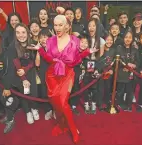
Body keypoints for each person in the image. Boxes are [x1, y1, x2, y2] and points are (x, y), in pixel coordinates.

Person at [28, 14, 97, 144]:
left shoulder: (75, 40)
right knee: (55, 103)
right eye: (55, 25)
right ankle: (61, 125)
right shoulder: (50, 41)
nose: (58, 28)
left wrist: (86, 52)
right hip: (52, 74)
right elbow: (49, 59)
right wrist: (40, 50)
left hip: (67, 74)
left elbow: (75, 61)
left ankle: (73, 128)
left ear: (66, 26)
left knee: (63, 103)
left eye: (60, 25)